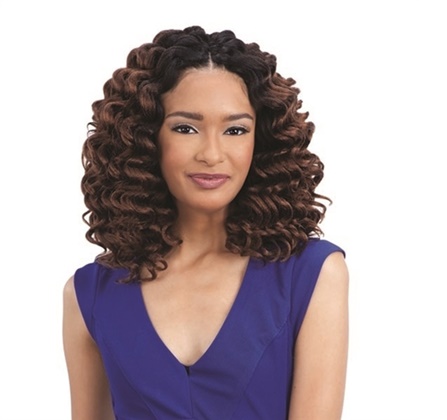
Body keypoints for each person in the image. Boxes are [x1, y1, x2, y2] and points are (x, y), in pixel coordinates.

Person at [62, 27, 348, 419]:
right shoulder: (89, 295)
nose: (212, 154)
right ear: (146, 137)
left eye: (235, 130)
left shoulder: (311, 275)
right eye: (186, 128)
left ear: (260, 140)